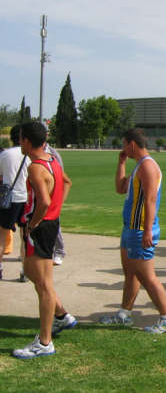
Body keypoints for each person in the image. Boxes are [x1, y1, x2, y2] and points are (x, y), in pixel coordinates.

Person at [99, 128, 166, 334]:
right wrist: (121, 163)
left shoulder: (148, 167)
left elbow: (151, 200)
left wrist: (147, 231)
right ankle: (124, 315)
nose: (122, 148)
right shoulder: (138, 167)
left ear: (132, 144)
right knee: (131, 274)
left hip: (140, 229)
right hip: (130, 228)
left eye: (124, 144)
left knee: (146, 276)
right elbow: (119, 188)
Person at [12, 121, 76, 359]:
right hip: (49, 225)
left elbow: (44, 202)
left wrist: (33, 223)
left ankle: (45, 341)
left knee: (44, 284)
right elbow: (65, 185)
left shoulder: (36, 168)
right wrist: (52, 212)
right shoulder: (52, 161)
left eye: (20, 138)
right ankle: (61, 316)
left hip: (41, 228)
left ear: (27, 141)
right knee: (36, 277)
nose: (19, 142)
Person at [0, 125, 29, 280]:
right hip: (24, 198)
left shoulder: (4, 155)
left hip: (8, 199)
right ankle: (24, 270)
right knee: (25, 236)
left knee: (2, 236)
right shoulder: (28, 155)